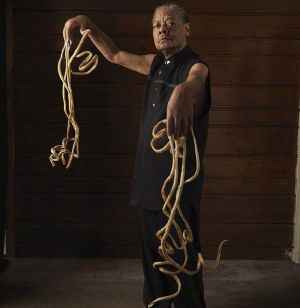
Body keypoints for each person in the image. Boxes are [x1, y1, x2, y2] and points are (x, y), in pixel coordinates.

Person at [64, 3, 211, 307]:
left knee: (182, 262)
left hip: (177, 188)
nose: (163, 29)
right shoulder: (155, 64)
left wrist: (183, 92)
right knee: (153, 263)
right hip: (147, 181)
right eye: (157, 25)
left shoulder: (194, 67)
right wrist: (87, 24)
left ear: (187, 29)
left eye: (170, 23)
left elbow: (198, 80)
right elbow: (114, 55)